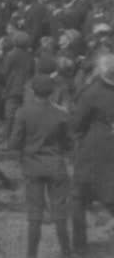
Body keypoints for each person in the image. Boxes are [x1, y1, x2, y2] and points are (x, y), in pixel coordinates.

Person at [8, 76, 73, 258]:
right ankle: (66, 253)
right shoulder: (61, 114)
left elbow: (13, 143)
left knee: (35, 214)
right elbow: (69, 143)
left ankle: (31, 254)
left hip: (32, 167)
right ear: (52, 92)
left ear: (33, 91)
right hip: (56, 166)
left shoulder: (23, 112)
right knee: (60, 213)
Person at [71, 54, 114, 256]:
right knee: (109, 193)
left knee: (78, 194)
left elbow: (77, 124)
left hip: (96, 148)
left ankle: (79, 245)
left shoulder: (92, 92)